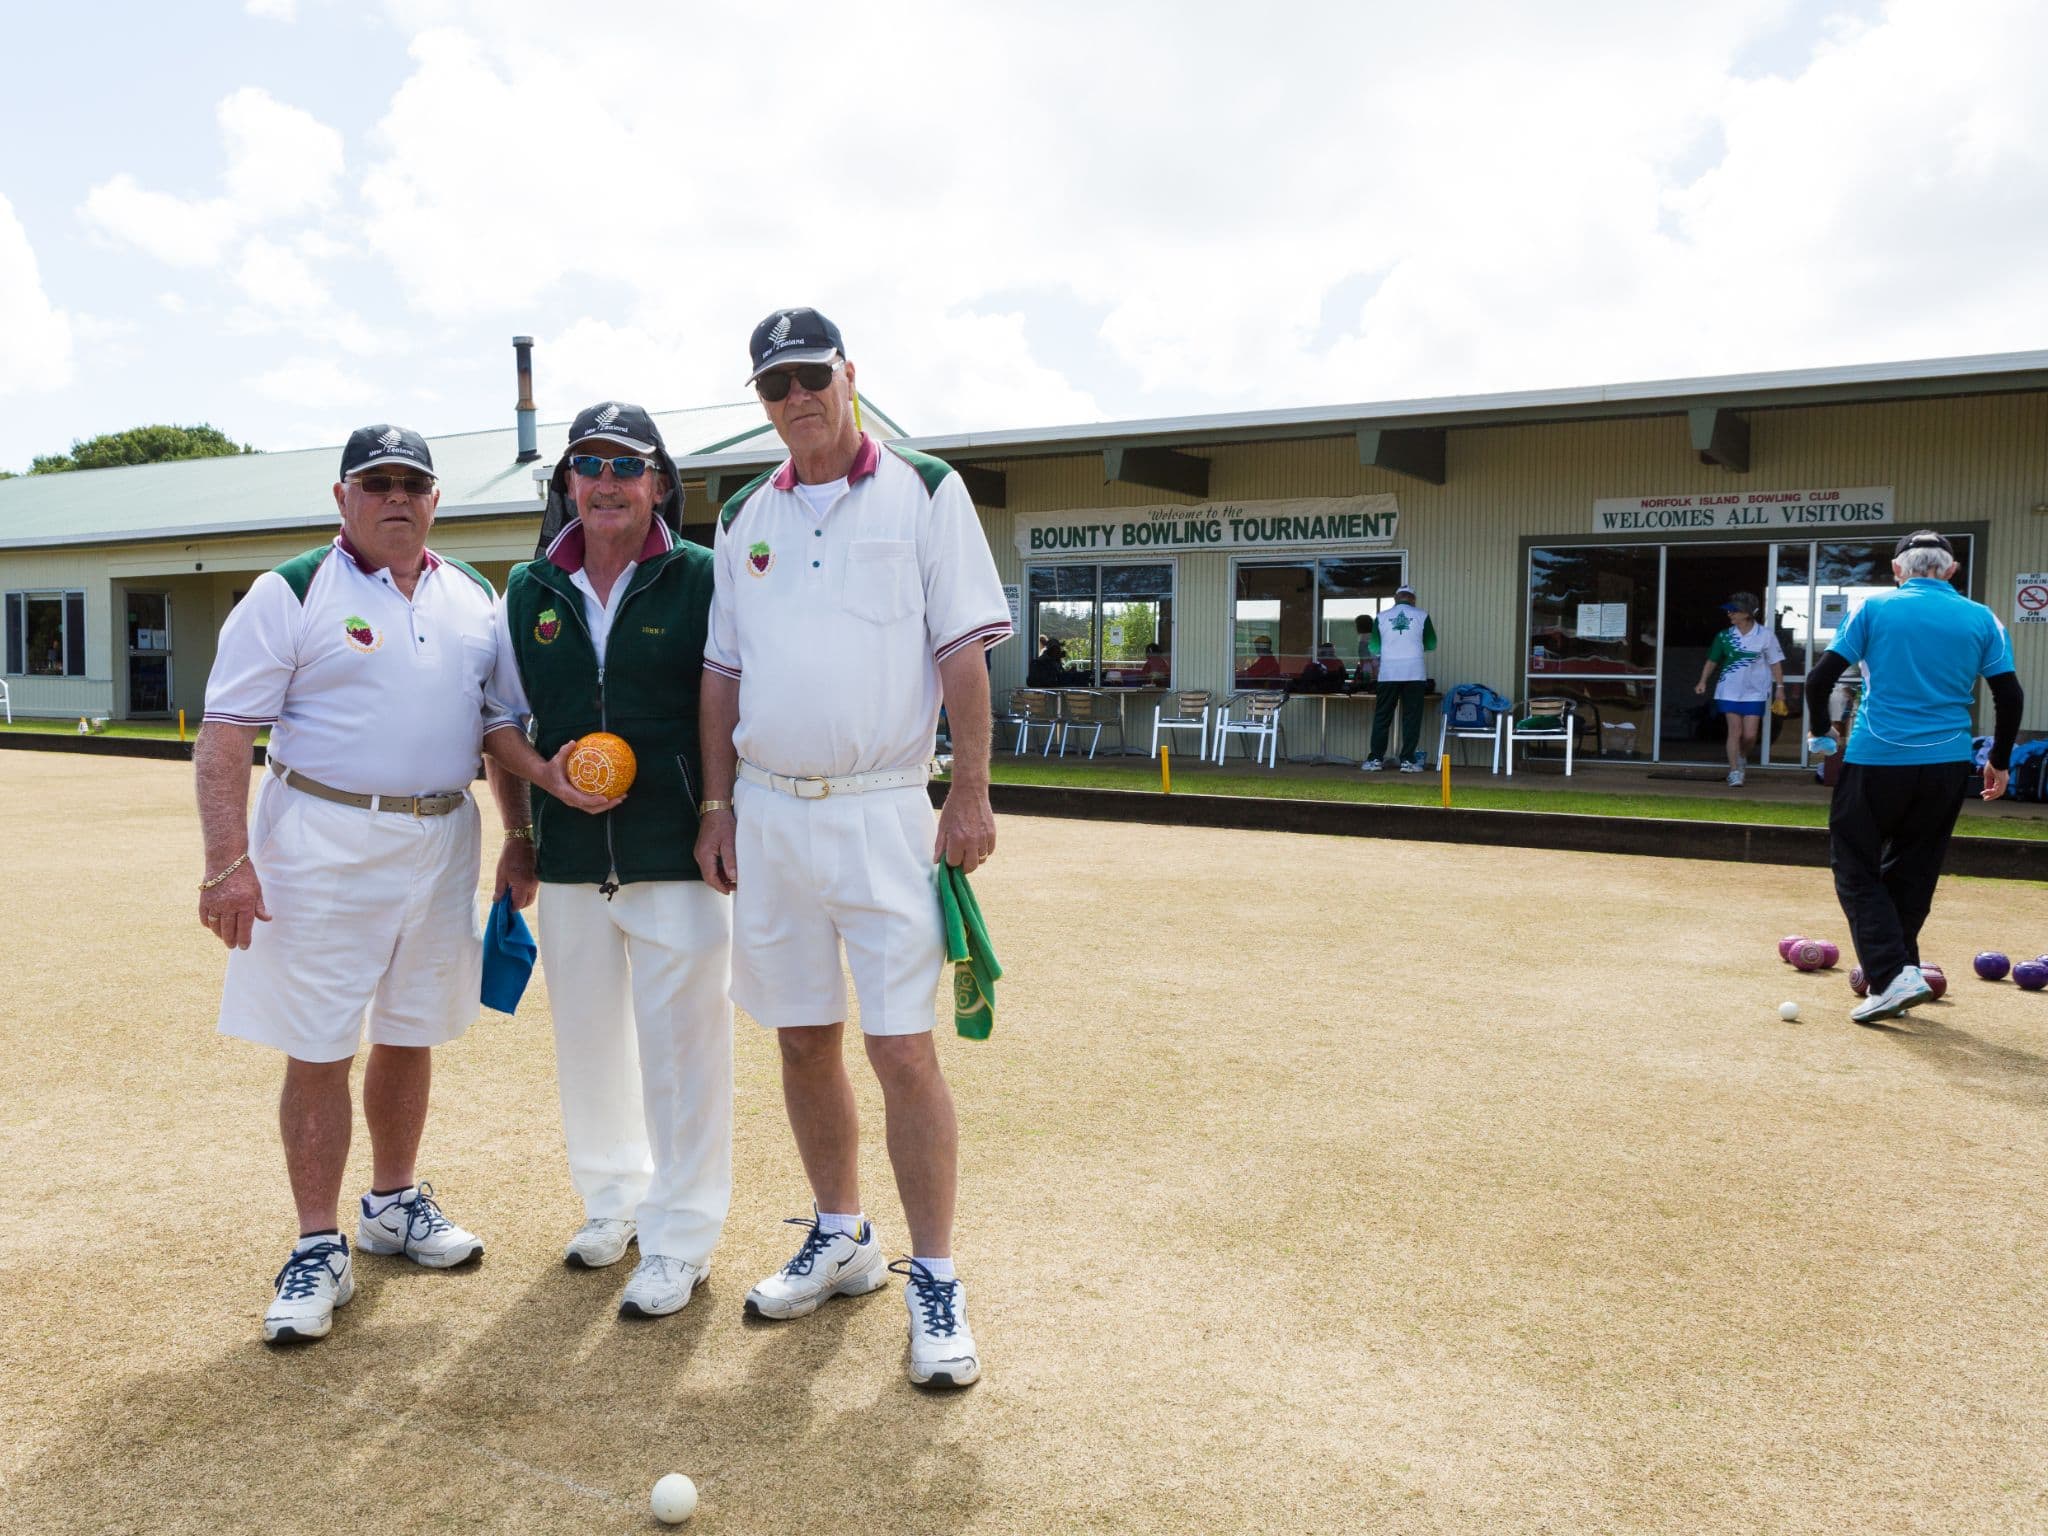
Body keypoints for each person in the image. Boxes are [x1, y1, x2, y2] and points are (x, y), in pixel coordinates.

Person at [696, 307, 1011, 1388]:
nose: (796, 401)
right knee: (798, 1040)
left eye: (810, 378)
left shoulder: (926, 487)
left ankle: (934, 1276)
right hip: (769, 811)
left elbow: (963, 653)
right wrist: (715, 806)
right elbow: (721, 675)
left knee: (901, 1049)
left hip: (885, 807)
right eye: (774, 386)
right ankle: (842, 1236)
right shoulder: (741, 512)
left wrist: (966, 794)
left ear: (849, 377)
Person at [195, 424, 514, 1345]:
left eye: (413, 483)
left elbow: (496, 729)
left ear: (436, 498)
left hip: (442, 831)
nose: (397, 498)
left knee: (412, 1032)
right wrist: (227, 862)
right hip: (322, 837)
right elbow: (224, 738)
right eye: (376, 483)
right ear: (343, 498)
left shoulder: (472, 596)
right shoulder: (290, 590)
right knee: (320, 1042)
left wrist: (519, 834)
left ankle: (391, 1204)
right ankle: (316, 1243)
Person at [481, 401, 733, 1320]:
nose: (606, 482)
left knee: (685, 1053)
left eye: (626, 466)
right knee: (587, 1044)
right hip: (572, 855)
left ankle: (681, 1236)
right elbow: (501, 720)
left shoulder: (703, 576)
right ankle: (613, 1203)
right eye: (587, 465)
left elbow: (733, 701)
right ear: (567, 486)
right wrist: (526, 812)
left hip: (679, 854)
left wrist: (719, 811)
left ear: (659, 483)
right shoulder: (528, 590)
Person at [1806, 531, 2023, 1024]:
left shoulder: (1873, 609)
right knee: (1915, 869)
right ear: (1951, 570)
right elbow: (2009, 696)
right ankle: (1897, 977)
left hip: (1877, 758)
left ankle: (1892, 974)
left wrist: (1822, 735)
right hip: (1946, 763)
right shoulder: (1980, 616)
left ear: (1897, 569)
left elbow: (1820, 679)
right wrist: (2001, 760)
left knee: (1855, 865)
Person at [1693, 591, 1785, 786]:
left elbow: (1775, 663)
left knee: (1750, 735)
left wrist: (1780, 687)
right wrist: (1702, 681)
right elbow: (1712, 661)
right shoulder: (1724, 636)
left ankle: (1742, 755)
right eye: (1729, 611)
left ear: (1747, 613)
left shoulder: (1766, 635)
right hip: (1729, 690)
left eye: (1734, 611)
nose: (1730, 614)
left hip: (1755, 692)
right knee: (1735, 731)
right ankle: (1734, 771)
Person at [1362, 583, 1436, 771]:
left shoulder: (1381, 617)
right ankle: (1408, 761)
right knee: (1411, 717)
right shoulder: (1422, 615)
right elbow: (1431, 644)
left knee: (1382, 717)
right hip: (1414, 672)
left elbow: (1374, 647)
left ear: (1396, 599)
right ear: (1413, 599)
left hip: (1388, 673)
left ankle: (1375, 760)